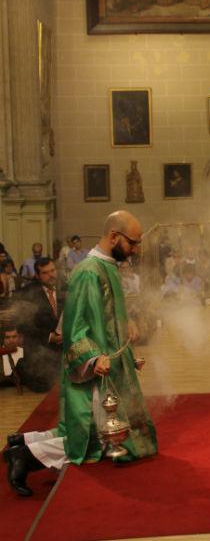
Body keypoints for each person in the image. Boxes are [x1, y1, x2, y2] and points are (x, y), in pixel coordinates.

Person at [4, 211, 156, 497]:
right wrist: (93, 357)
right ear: (114, 236)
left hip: (111, 359)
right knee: (88, 438)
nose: (135, 249)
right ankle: (25, 457)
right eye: (132, 243)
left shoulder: (107, 266)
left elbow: (107, 314)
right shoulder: (88, 271)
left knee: (94, 430)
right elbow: (75, 326)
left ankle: (23, 441)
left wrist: (127, 324)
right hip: (97, 365)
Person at [15, 258, 63, 393]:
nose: (51, 275)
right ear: (37, 275)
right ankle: (22, 368)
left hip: (65, 342)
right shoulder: (27, 293)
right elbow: (23, 326)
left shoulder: (66, 288)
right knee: (45, 386)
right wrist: (50, 336)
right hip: (41, 346)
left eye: (53, 271)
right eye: (45, 273)